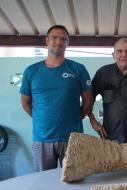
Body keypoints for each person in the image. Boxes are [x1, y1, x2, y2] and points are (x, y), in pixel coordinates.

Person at [20, 25, 92, 172]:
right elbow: (25, 102)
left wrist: (75, 119)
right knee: (43, 183)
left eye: (63, 39)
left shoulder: (78, 69)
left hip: (72, 138)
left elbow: (88, 101)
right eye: (54, 37)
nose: (58, 42)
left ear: (67, 43)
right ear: (47, 40)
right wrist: (40, 118)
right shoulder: (31, 71)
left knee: (75, 180)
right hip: (42, 139)